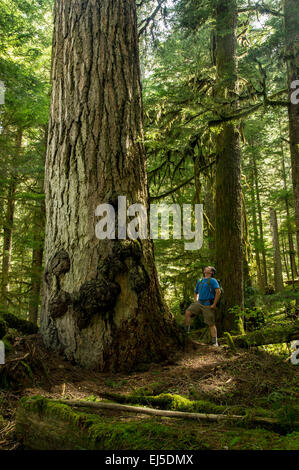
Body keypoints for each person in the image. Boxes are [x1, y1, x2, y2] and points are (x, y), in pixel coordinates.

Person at [184, 266, 221, 347]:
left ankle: (215, 342)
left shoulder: (212, 280)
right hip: (199, 303)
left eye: (208, 268)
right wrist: (196, 301)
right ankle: (186, 332)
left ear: (211, 272)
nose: (206, 268)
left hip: (208, 304)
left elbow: (218, 292)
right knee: (187, 312)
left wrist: (214, 304)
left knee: (211, 323)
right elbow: (196, 291)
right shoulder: (200, 281)